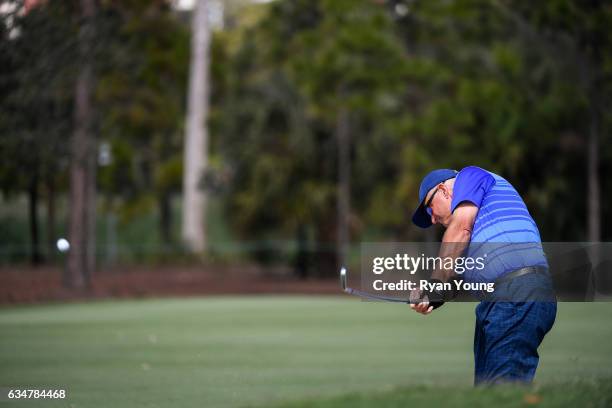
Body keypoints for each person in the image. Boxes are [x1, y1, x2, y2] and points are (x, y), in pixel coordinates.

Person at [409, 166, 557, 385]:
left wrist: (435, 285)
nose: (432, 219)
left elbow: (460, 229)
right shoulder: (475, 233)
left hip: (516, 293)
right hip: (502, 301)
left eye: (430, 208)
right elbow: (455, 280)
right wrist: (432, 297)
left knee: (503, 393)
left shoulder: (469, 176)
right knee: (487, 395)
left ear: (444, 190)